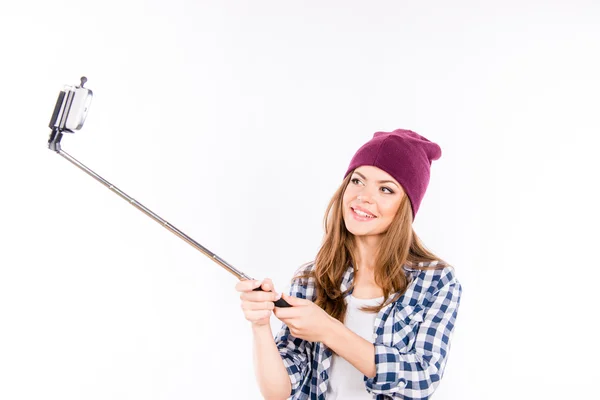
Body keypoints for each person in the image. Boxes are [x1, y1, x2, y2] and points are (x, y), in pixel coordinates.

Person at [236, 129, 462, 400]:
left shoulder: (436, 281)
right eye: (357, 181)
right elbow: (278, 391)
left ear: (406, 207)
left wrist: (329, 330)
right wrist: (260, 325)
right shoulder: (311, 278)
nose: (363, 196)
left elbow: (422, 378)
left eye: (386, 189)